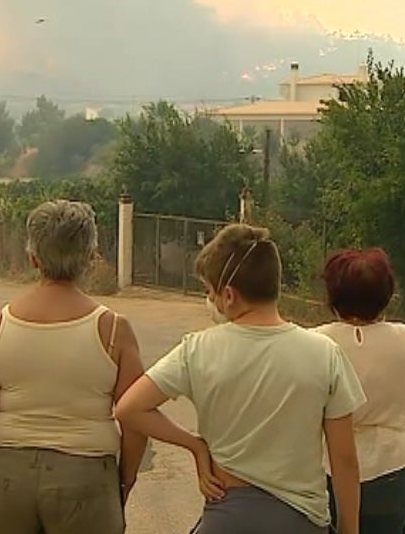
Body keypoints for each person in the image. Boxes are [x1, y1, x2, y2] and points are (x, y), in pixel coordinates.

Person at [115, 223, 367, 534]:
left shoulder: (197, 350)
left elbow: (129, 408)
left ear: (229, 295)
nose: (210, 300)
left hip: (226, 517)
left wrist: (195, 445)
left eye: (210, 292)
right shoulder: (325, 354)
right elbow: (344, 459)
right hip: (302, 520)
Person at [0, 199, 148, 534]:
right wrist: (124, 480)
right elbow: (136, 419)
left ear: (33, 257)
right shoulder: (114, 330)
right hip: (85, 476)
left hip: (6, 474)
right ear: (90, 257)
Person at [315, 248, 405, 534]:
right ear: (385, 296)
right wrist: (393, 422)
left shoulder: (317, 342)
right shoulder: (404, 337)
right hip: (391, 467)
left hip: (329, 468)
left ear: (333, 297)